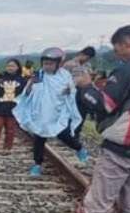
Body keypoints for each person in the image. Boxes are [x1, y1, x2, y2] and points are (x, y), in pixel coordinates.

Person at [56, 25, 130, 213]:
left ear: (129, 44)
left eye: (118, 50)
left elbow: (102, 105)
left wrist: (86, 86)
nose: (118, 55)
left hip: (123, 145)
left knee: (99, 204)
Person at [13, 47, 87, 176]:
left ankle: (79, 148)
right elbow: (28, 94)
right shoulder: (39, 75)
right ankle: (37, 164)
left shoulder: (65, 76)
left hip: (57, 113)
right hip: (41, 114)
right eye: (45, 63)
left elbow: (72, 91)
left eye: (51, 64)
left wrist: (69, 91)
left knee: (64, 135)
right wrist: (30, 85)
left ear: (59, 64)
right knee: (39, 139)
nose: (47, 66)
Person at [0, 59, 27, 152]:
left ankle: (7, 148)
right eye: (9, 66)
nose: (10, 68)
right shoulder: (1, 77)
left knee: (10, 131)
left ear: (18, 67)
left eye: (13, 66)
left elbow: (25, 94)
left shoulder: (22, 80)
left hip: (13, 109)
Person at [63, 46, 97, 143]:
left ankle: (75, 134)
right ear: (82, 54)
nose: (87, 59)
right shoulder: (69, 64)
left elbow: (90, 79)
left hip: (84, 92)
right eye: (87, 56)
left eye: (89, 58)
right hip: (72, 91)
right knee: (71, 114)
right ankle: (67, 134)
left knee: (82, 113)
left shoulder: (88, 66)